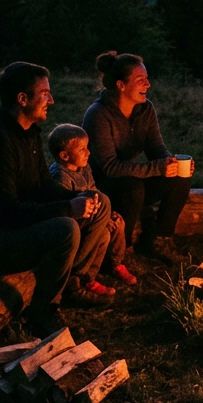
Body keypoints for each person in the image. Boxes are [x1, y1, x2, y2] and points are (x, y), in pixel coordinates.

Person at [0, 62, 113, 337]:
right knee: (66, 228)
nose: (51, 99)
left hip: (11, 229)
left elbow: (42, 187)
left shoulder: (29, 134)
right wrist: (68, 208)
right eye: (44, 94)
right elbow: (7, 213)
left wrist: (78, 196)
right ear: (22, 99)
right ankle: (43, 311)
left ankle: (73, 280)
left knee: (101, 203)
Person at [82, 51, 190, 266]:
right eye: (141, 80)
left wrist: (170, 163)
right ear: (121, 85)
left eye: (147, 78)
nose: (148, 84)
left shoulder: (145, 109)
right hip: (102, 187)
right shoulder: (98, 114)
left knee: (180, 177)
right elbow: (110, 167)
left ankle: (160, 239)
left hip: (132, 178)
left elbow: (156, 148)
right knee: (132, 187)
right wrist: (156, 168)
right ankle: (123, 250)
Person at [48, 122, 137, 289]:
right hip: (79, 221)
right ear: (64, 156)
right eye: (82, 149)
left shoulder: (84, 167)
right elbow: (66, 210)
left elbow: (93, 190)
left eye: (87, 147)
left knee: (118, 222)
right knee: (103, 234)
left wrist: (107, 214)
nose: (88, 152)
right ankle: (88, 277)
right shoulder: (61, 176)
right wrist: (101, 219)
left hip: (95, 213)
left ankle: (115, 263)